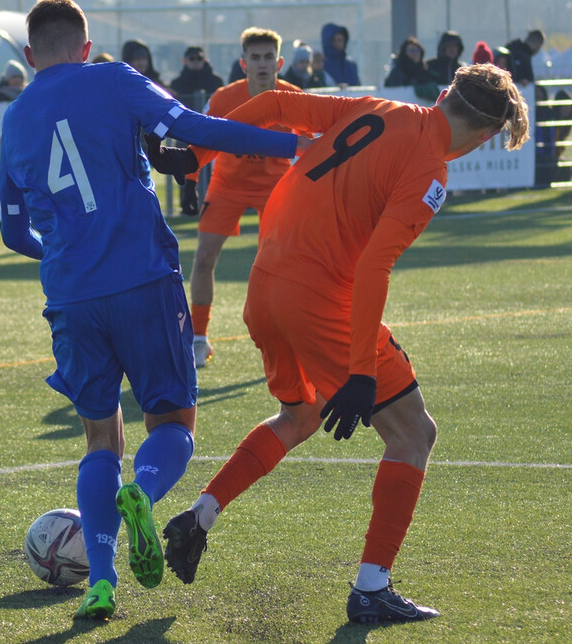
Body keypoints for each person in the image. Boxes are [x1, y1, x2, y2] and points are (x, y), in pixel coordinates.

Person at [162, 63, 529, 625]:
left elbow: (274, 102)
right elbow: (373, 269)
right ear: (482, 136)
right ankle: (371, 589)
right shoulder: (430, 171)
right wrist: (361, 371)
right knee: (413, 434)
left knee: (301, 412)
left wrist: (198, 154)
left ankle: (200, 514)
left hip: (264, 288)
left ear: (442, 95)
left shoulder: (375, 107)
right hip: (316, 299)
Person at [0, 0, 308, 621]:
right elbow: (193, 129)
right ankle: (142, 491)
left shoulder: (15, 116)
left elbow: (11, 230)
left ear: (30, 56)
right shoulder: (112, 78)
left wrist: (63, 254)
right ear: (85, 48)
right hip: (142, 278)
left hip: (71, 295)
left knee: (98, 439)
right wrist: (291, 146)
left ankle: (101, 582)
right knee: (171, 427)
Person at [182, 27, 302, 369]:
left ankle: (288, 335)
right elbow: (201, 137)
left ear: (279, 62)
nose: (262, 64)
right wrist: (190, 180)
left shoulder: (295, 96)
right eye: (255, 57)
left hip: (276, 186)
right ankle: (199, 340)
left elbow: (316, 145)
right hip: (228, 184)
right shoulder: (222, 98)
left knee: (282, 263)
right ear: (244, 63)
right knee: (203, 257)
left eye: (268, 57)